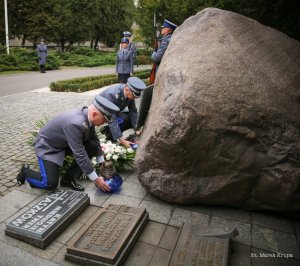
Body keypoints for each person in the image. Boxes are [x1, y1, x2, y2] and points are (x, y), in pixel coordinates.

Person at [16, 96, 120, 192]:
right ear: (94, 114)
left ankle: (68, 179)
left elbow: (93, 137)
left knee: (92, 146)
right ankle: (25, 172)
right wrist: (95, 178)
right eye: (104, 120)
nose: (104, 123)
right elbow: (79, 153)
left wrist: (101, 162)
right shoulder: (75, 122)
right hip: (48, 147)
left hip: (63, 144)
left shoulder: (87, 115)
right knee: (49, 184)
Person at [100, 77, 146, 148]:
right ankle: (110, 136)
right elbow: (112, 118)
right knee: (122, 119)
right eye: (134, 96)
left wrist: (137, 129)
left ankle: (117, 133)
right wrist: (121, 140)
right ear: (127, 89)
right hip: (102, 114)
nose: (135, 98)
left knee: (128, 118)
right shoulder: (112, 94)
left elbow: (133, 111)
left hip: (114, 112)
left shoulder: (129, 94)